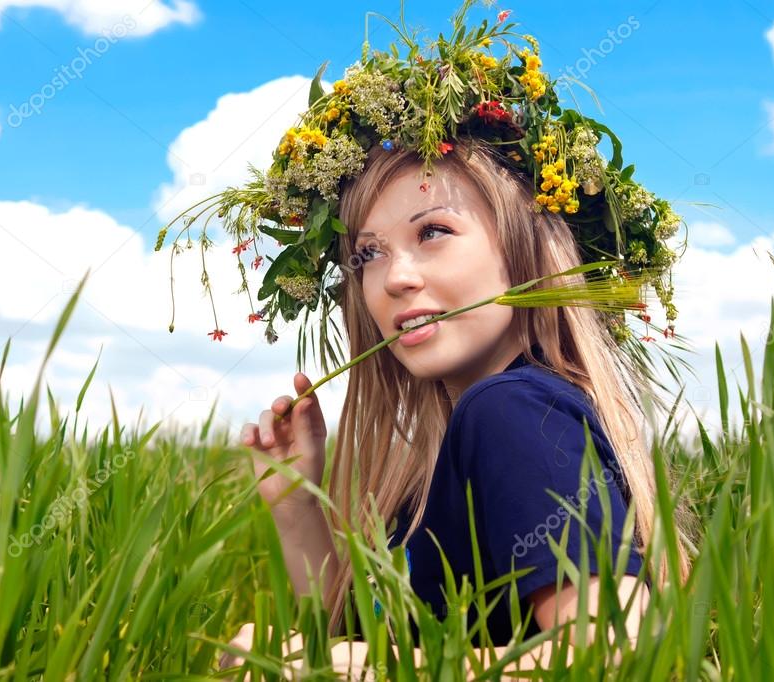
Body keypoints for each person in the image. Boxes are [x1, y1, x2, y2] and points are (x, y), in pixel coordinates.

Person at [153, 1, 693, 675]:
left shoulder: (511, 411)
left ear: (526, 251)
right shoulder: (442, 459)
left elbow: (609, 653)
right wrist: (298, 507)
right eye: (367, 253)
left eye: (431, 232)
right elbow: (372, 635)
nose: (393, 278)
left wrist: (350, 671)